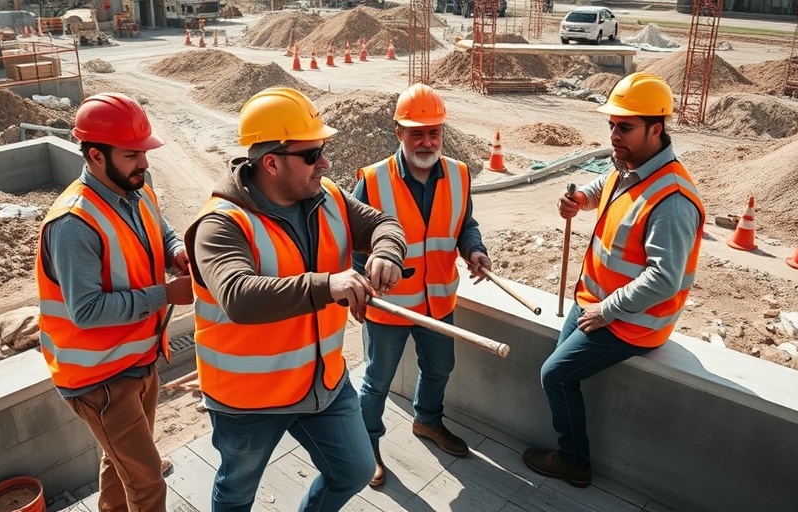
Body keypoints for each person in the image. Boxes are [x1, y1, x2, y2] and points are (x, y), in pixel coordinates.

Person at [184, 87, 407, 511]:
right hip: (249, 400)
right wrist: (329, 285)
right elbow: (238, 296)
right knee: (236, 492)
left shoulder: (327, 197)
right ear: (271, 162)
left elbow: (383, 224)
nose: (325, 163)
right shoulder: (221, 224)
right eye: (312, 154)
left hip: (323, 381)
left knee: (355, 470)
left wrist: (386, 252)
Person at [522, 72, 705, 488]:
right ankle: (571, 453)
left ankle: (574, 461)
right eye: (611, 125)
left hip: (631, 321)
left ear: (656, 129)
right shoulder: (629, 166)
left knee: (555, 375)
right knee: (559, 370)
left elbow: (665, 278)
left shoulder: (672, 200)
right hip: (594, 301)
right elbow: (605, 186)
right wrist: (580, 199)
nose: (613, 135)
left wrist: (607, 311)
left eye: (625, 127)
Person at [36, 92, 194, 512]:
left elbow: (162, 232)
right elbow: (86, 311)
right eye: (132, 155)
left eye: (144, 152)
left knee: (121, 462)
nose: (144, 162)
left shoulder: (137, 189)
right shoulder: (73, 223)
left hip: (138, 359)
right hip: (100, 379)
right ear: (96, 155)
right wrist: (166, 294)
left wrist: (176, 251)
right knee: (147, 483)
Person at [354, 83, 492, 488]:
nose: (427, 142)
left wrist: (474, 249)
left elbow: (464, 223)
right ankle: (365, 446)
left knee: (440, 368)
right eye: (417, 133)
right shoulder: (373, 181)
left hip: (438, 301)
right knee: (377, 381)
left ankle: (427, 420)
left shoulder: (459, 174)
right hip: (390, 307)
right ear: (399, 132)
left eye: (434, 132)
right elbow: (354, 241)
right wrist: (363, 287)